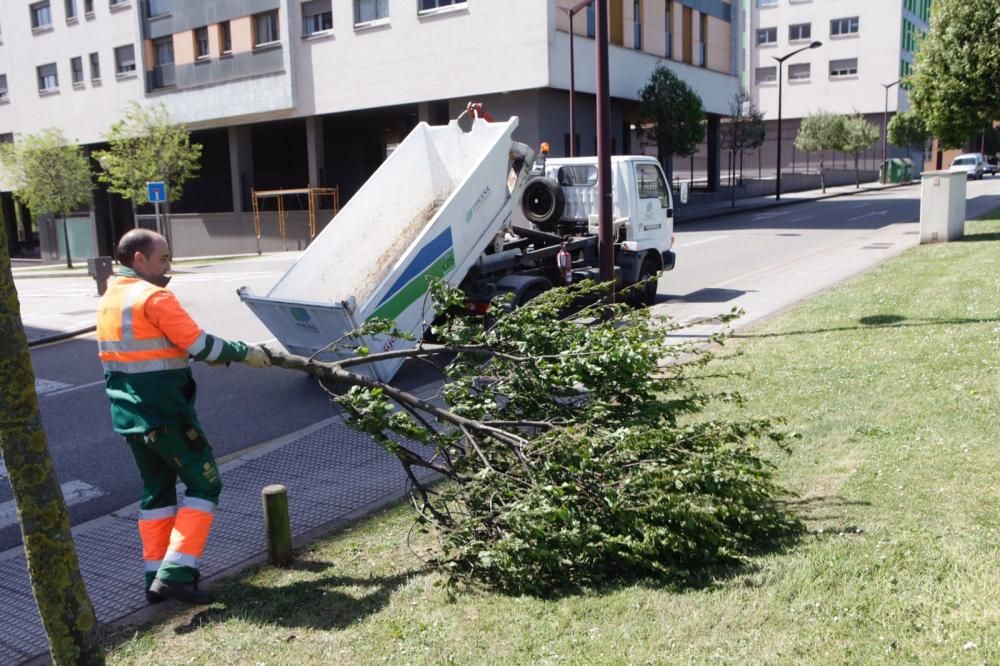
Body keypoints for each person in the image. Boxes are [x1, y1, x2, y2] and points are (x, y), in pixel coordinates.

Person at [96, 229, 271, 605]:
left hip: (130, 416)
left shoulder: (111, 298)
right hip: (166, 414)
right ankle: (176, 574)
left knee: (156, 493)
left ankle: (154, 577)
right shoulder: (154, 297)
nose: (168, 267)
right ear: (139, 259)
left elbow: (151, 348)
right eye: (163, 259)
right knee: (205, 484)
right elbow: (199, 343)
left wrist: (200, 354)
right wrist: (246, 352)